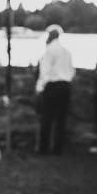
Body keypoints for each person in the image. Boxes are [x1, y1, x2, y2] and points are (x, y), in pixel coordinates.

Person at [36, 25, 75, 154]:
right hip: (65, 86)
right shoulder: (66, 51)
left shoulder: (49, 50)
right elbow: (71, 71)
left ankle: (43, 148)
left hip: (52, 86)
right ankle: (57, 149)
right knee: (61, 119)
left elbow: (44, 71)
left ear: (50, 36)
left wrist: (39, 87)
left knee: (46, 118)